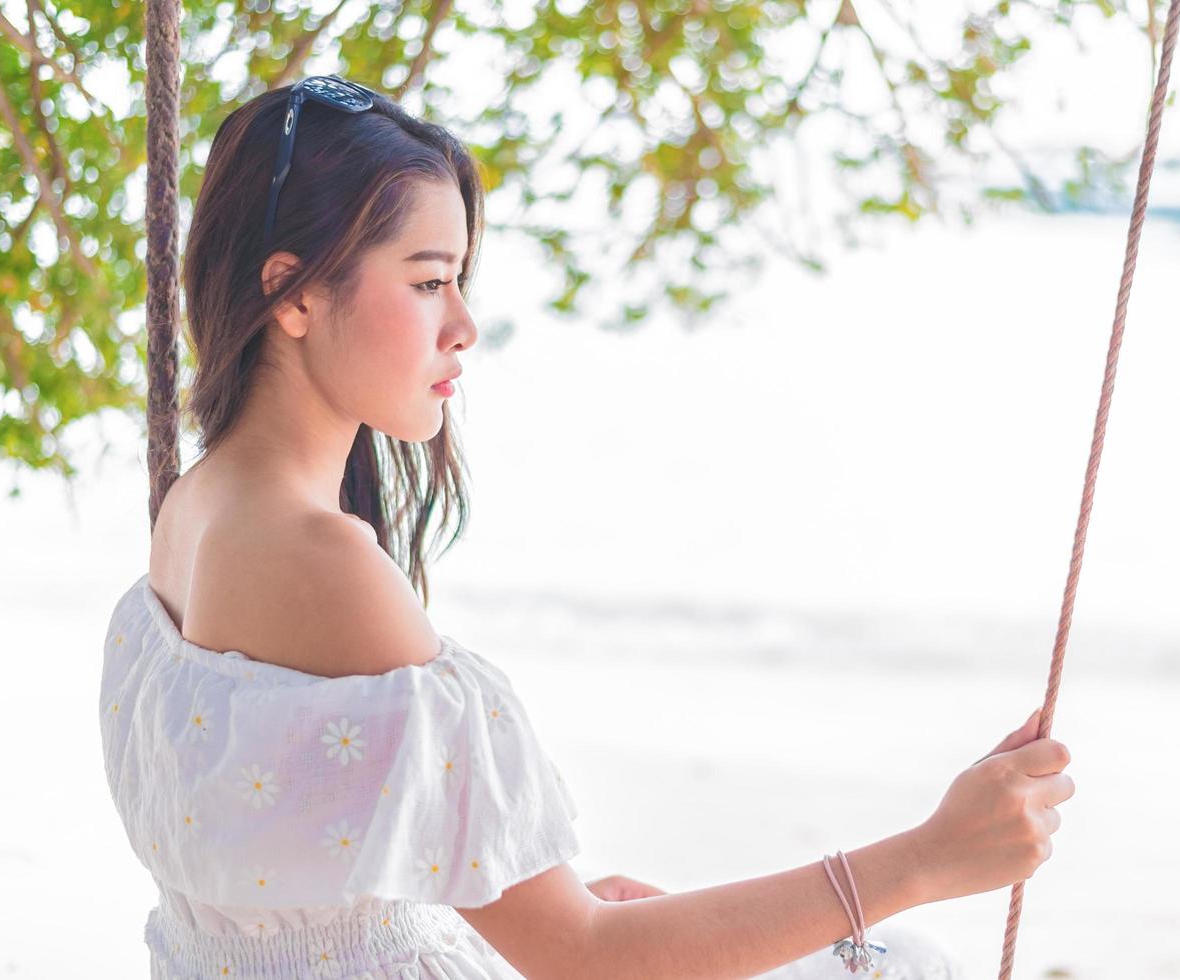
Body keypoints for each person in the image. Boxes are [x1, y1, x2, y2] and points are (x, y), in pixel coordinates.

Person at [99, 77, 1074, 979]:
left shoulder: (198, 508)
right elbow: (584, 957)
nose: (464, 326)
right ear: (297, 291)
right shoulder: (323, 560)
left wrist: (508, 908)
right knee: (904, 954)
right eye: (429, 280)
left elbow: (283, 872)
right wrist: (926, 855)